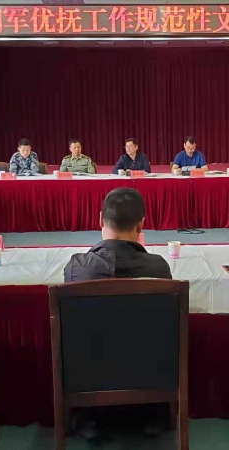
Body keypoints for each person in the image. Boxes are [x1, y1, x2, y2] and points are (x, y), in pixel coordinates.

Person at [64, 188, 171, 439]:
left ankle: (89, 415)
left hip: (89, 375)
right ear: (142, 224)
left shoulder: (78, 267)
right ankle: (153, 413)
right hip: (148, 373)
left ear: (100, 219)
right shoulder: (159, 268)